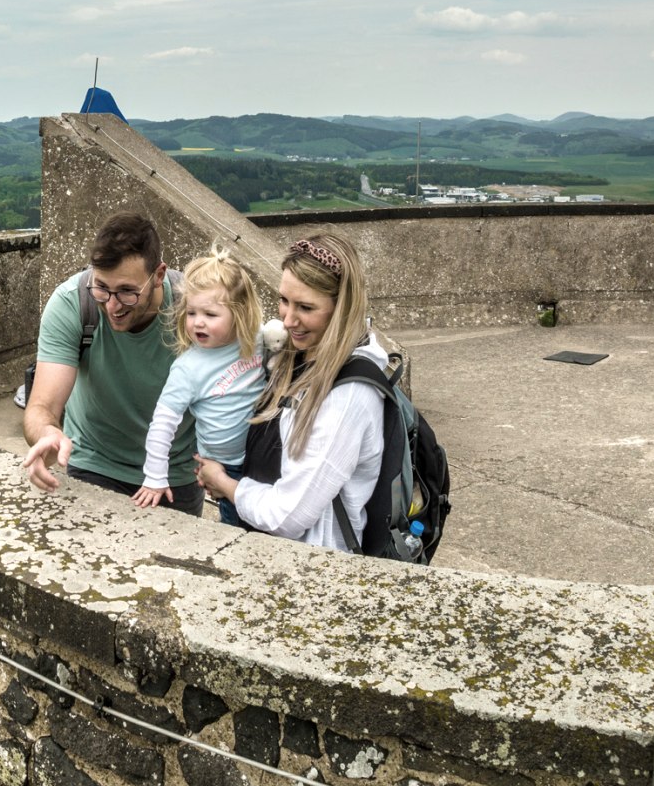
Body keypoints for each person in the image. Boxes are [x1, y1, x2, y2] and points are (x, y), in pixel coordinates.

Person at [196, 233, 387, 551]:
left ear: (342, 308)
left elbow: (289, 516)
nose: (287, 319)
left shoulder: (348, 395)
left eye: (306, 307)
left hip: (310, 567)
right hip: (261, 543)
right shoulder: (298, 349)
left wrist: (227, 485)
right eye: (284, 300)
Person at [21, 212, 203, 515]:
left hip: (176, 473)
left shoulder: (195, 309)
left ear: (158, 275)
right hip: (94, 461)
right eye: (102, 287)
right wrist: (48, 434)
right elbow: (41, 408)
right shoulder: (72, 303)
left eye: (127, 292)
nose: (112, 305)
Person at [132, 248, 267, 526]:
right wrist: (156, 476)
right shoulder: (188, 368)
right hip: (224, 468)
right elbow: (162, 424)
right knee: (237, 527)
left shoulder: (257, 340)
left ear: (240, 313)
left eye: (210, 313)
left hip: (263, 458)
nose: (198, 322)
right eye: (191, 312)